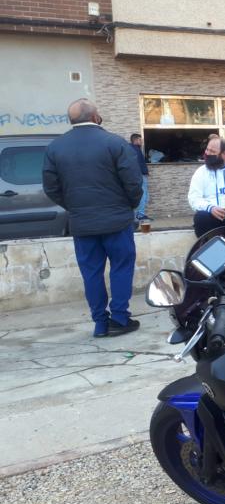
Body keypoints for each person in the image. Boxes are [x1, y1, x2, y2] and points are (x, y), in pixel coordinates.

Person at [42, 99, 143, 338]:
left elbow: (51, 187)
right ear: (96, 116)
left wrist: (75, 207)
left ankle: (100, 323)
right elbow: (133, 182)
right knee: (121, 268)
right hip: (117, 221)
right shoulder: (115, 143)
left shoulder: (55, 147)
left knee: (91, 273)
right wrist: (128, 205)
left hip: (83, 223)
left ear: (71, 120)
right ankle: (119, 319)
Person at [130, 133, 150, 221]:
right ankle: (140, 215)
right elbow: (138, 163)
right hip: (140, 175)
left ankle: (138, 214)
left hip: (137, 175)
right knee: (143, 194)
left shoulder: (133, 149)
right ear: (136, 140)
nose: (141, 141)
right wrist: (145, 172)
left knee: (143, 194)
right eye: (140, 140)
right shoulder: (135, 150)